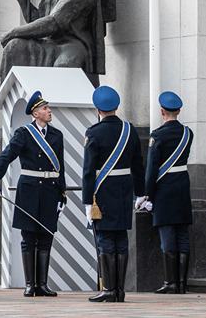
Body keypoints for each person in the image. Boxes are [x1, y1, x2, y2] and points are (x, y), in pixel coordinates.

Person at [0, 91, 66, 297]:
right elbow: (7, 156)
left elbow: (61, 167)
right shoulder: (24, 133)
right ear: (35, 113)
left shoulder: (57, 135)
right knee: (29, 237)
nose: (49, 111)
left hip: (50, 190)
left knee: (46, 236)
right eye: (45, 108)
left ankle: (42, 284)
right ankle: (30, 284)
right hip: (29, 189)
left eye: (48, 108)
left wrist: (62, 194)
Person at [82, 85, 145, 303]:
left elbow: (89, 171)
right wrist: (141, 193)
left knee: (106, 240)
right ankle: (120, 290)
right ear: (116, 107)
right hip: (125, 190)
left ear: (97, 109)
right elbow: (138, 165)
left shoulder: (93, 133)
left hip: (103, 191)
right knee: (121, 239)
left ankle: (109, 289)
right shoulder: (130, 130)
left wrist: (87, 201)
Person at [143, 91, 193, 294]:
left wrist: (147, 194)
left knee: (167, 235)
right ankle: (182, 283)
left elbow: (151, 168)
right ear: (179, 111)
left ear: (162, 111)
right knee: (182, 234)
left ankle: (170, 282)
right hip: (182, 186)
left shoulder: (157, 136)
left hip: (164, 189)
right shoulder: (188, 134)